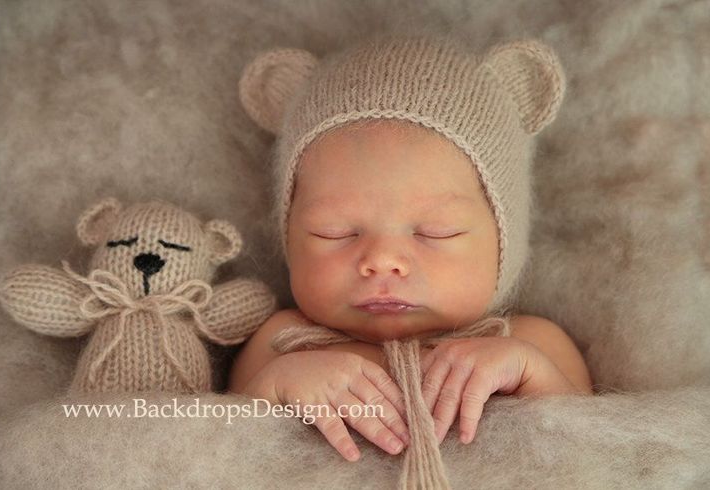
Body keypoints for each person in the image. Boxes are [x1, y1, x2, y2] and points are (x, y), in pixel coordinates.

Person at [230, 33, 593, 464]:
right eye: (335, 232)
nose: (382, 260)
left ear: (502, 241)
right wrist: (278, 384)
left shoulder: (530, 343)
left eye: (437, 232)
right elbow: (219, 446)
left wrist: (533, 375)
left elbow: (591, 454)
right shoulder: (282, 343)